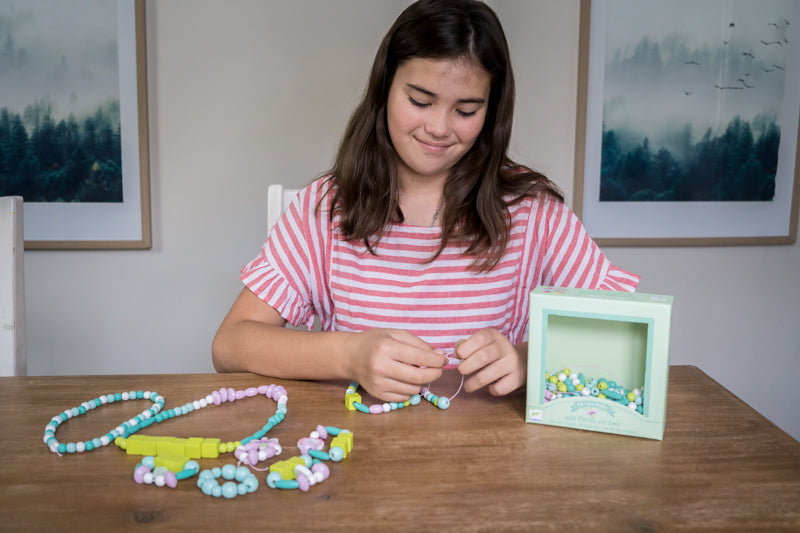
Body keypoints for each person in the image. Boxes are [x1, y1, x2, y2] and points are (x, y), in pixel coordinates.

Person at [212, 0, 639, 405]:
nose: (438, 128)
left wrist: (531, 359)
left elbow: (623, 339)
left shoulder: (532, 212)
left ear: (492, 112)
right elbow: (230, 345)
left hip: (493, 463)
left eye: (466, 110)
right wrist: (349, 355)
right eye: (420, 101)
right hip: (356, 456)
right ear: (384, 90)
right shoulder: (324, 207)